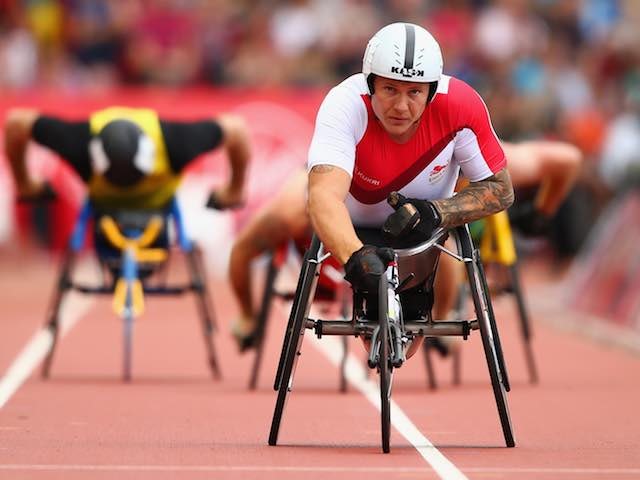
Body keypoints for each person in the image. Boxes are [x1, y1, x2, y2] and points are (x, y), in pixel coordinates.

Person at [230, 22, 514, 353]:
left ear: (432, 92)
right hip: (344, 198)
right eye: (390, 89)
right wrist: (354, 258)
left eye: (414, 92)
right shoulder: (344, 103)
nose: (401, 107)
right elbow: (323, 196)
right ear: (370, 85)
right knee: (274, 222)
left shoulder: (461, 106)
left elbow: (501, 189)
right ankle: (248, 317)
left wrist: (439, 211)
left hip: (419, 221)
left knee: (445, 243)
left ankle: (442, 315)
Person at [228, 139, 582, 350]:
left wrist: (538, 214)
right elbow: (243, 250)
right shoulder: (300, 199)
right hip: (340, 215)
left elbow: (568, 159)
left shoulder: (477, 158)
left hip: (431, 225)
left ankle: (442, 318)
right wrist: (539, 215)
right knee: (440, 238)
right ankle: (443, 319)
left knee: (440, 234)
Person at [4, 106, 250, 213]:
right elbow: (236, 129)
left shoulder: (77, 142)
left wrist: (25, 184)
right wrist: (233, 191)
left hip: (106, 204)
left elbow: (16, 123)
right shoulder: (177, 142)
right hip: (157, 205)